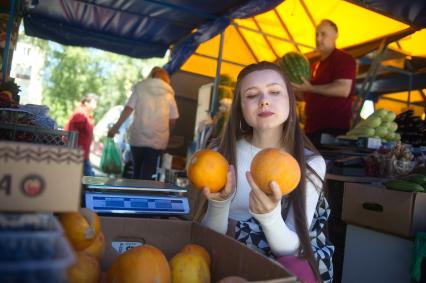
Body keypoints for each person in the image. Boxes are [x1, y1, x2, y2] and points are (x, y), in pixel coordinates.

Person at [193, 62, 334, 283]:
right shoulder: (218, 156)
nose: (264, 100)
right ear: (240, 107)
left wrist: (270, 217)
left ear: (290, 100)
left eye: (275, 92)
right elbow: (208, 240)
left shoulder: (310, 163)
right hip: (228, 262)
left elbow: (291, 250)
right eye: (251, 95)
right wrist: (219, 204)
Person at [292, 19, 357, 148]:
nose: (318, 38)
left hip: (331, 132)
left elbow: (343, 89)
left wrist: (310, 88)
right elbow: (306, 95)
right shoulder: (315, 65)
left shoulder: (344, 59)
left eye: (323, 34)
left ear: (336, 35)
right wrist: (290, 87)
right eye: (316, 34)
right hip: (311, 129)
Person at [108, 67, 179, 180]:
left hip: (138, 137)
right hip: (158, 140)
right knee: (148, 173)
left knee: (136, 170)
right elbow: (173, 120)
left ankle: (133, 193)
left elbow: (128, 109)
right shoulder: (169, 95)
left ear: (151, 75)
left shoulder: (141, 88)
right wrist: (168, 133)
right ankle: (143, 193)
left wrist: (115, 128)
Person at [65, 93, 97, 176]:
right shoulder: (80, 114)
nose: (96, 104)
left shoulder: (85, 114)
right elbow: (74, 130)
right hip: (78, 152)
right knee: (88, 178)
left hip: (82, 152)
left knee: (86, 177)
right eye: (94, 102)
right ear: (86, 103)